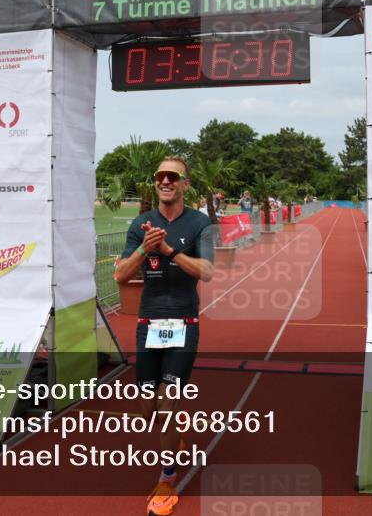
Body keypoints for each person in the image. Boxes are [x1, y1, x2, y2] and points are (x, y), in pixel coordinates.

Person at [114, 157, 214, 516]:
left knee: (168, 402)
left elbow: (207, 271)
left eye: (174, 176)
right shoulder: (141, 224)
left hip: (183, 323)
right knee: (147, 408)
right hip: (148, 325)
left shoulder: (199, 223)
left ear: (185, 184)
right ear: (155, 183)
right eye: (161, 176)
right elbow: (120, 276)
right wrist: (145, 248)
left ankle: (166, 477)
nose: (166, 180)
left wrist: (170, 251)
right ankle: (176, 436)